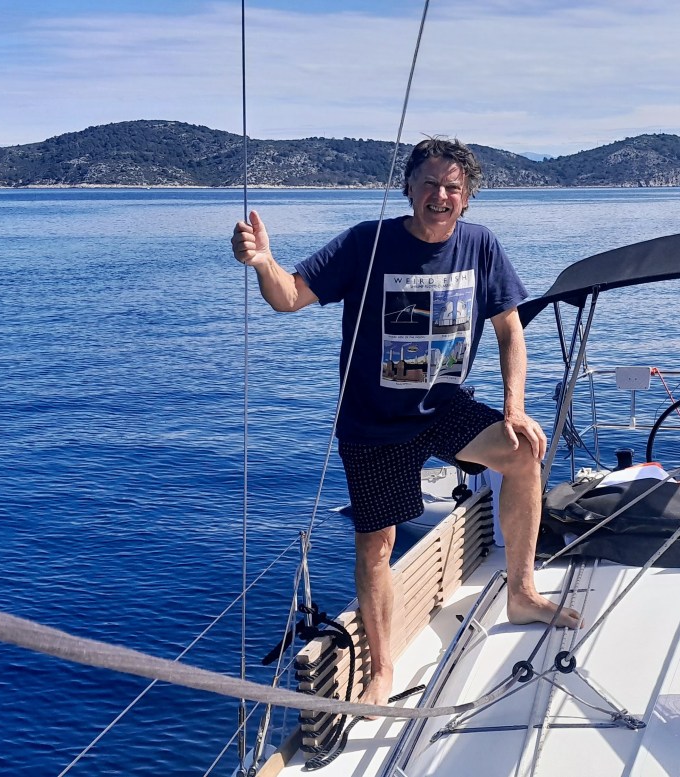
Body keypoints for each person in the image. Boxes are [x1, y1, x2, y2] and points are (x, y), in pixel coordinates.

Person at [230, 137, 581, 710]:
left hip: (445, 408)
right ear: (409, 189)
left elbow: (510, 330)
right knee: (377, 544)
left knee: (522, 452)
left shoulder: (481, 245)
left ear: (466, 198)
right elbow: (288, 297)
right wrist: (264, 262)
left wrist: (514, 407)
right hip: (373, 421)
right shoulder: (367, 243)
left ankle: (522, 593)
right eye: (430, 184)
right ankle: (383, 668)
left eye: (452, 187)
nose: (440, 196)